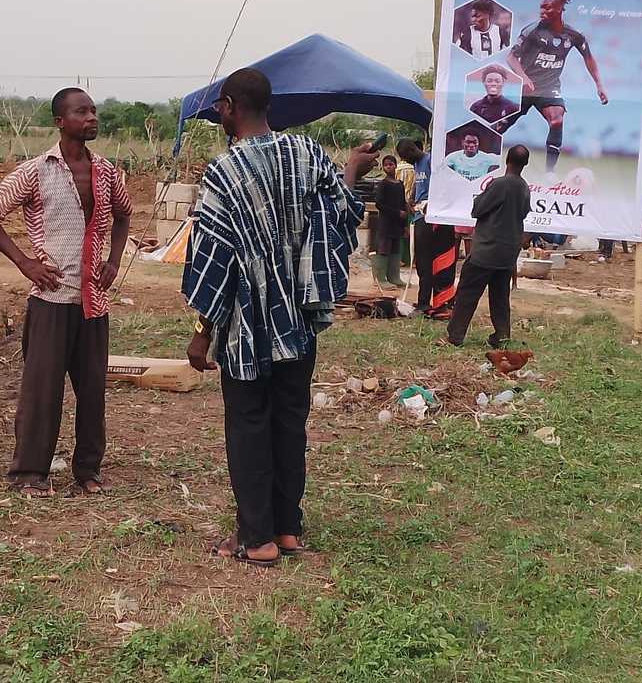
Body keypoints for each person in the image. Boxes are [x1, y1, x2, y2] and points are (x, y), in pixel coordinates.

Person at [183, 68, 376, 567]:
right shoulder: (308, 155)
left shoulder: (224, 173)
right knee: (290, 423)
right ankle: (287, 528)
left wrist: (203, 333)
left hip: (248, 325)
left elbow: (214, 256)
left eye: (218, 109)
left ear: (229, 107)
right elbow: (343, 212)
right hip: (300, 321)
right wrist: (352, 167)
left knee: (248, 423)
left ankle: (257, 539)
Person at [0, 87, 131, 497]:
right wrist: (25, 262)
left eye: (94, 110)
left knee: (93, 391)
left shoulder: (108, 172)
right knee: (42, 391)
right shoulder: (36, 171)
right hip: (51, 299)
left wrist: (114, 260)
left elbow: (124, 214)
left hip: (93, 300)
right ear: (60, 121)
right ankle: (29, 474)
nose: (92, 117)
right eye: (82, 112)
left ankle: (88, 471)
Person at [501, 0, 608, 172]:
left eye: (548, 8)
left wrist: (599, 85)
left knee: (557, 119)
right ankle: (479, 154)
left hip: (549, 88)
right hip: (525, 88)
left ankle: (549, 173)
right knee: (500, 125)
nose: (543, 11)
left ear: (560, 9)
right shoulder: (532, 31)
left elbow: (589, 58)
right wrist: (524, 77)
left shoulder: (574, 35)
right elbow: (510, 57)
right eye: (541, 7)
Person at [447, 145, 532, 347]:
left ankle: (455, 336)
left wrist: (479, 198)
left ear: (507, 160)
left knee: (468, 293)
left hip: (487, 249)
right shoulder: (524, 187)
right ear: (525, 164)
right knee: (500, 297)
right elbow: (523, 213)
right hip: (508, 252)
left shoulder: (499, 184)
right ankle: (502, 336)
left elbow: (477, 210)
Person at [396, 138, 457, 316]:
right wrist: (412, 198)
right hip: (420, 215)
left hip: (435, 216)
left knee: (439, 261)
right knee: (423, 263)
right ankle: (423, 302)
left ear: (413, 149)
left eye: (406, 155)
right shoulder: (416, 165)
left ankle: (442, 301)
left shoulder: (431, 160)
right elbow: (419, 183)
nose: (405, 160)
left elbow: (445, 183)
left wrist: (435, 204)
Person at [371, 155, 408, 287]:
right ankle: (381, 279)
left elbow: (403, 203)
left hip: (398, 224)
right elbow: (379, 204)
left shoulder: (400, 185)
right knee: (384, 249)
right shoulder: (383, 185)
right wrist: (397, 213)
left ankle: (394, 277)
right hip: (386, 223)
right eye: (386, 165)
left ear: (395, 165)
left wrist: (405, 225)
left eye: (391, 164)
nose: (389, 167)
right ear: (383, 167)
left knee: (396, 250)